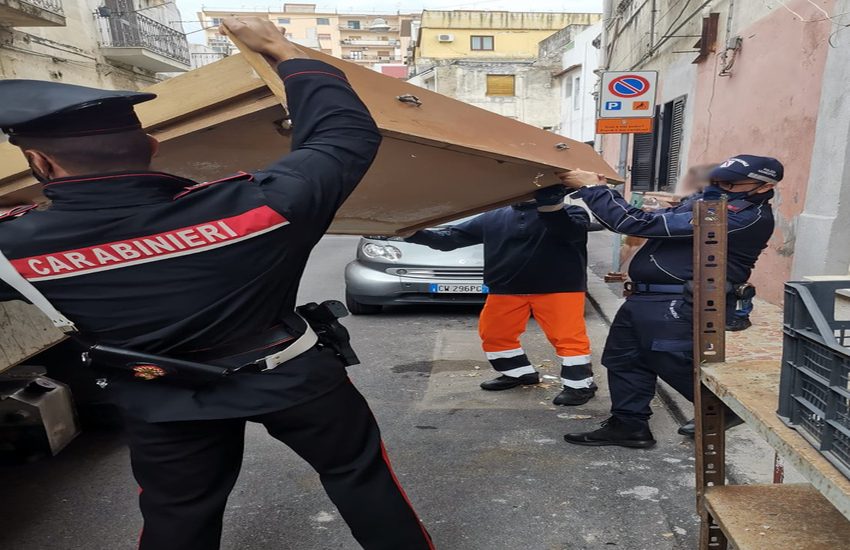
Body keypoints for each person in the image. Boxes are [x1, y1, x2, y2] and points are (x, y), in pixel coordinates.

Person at [0, 18, 433, 550]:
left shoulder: (13, 249)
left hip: (162, 394)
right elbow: (345, 134)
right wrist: (280, 51)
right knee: (359, 478)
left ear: (39, 162)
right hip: (293, 377)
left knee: (178, 517)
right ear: (153, 146)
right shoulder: (266, 204)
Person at [554, 155, 781, 448]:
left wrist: (593, 190)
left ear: (763, 187)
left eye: (730, 184)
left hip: (677, 302)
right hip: (645, 298)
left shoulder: (740, 217)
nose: (720, 188)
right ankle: (629, 426)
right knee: (623, 360)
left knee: (669, 359)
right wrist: (599, 187)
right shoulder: (709, 203)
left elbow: (635, 222)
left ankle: (720, 407)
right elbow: (654, 214)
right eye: (715, 182)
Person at [406, 189, 596, 406]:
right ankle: (518, 373)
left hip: (558, 287)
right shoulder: (493, 216)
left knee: (568, 338)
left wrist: (551, 207)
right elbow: (449, 239)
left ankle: (580, 386)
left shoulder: (572, 212)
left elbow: (569, 231)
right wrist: (410, 234)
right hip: (506, 288)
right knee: (495, 334)